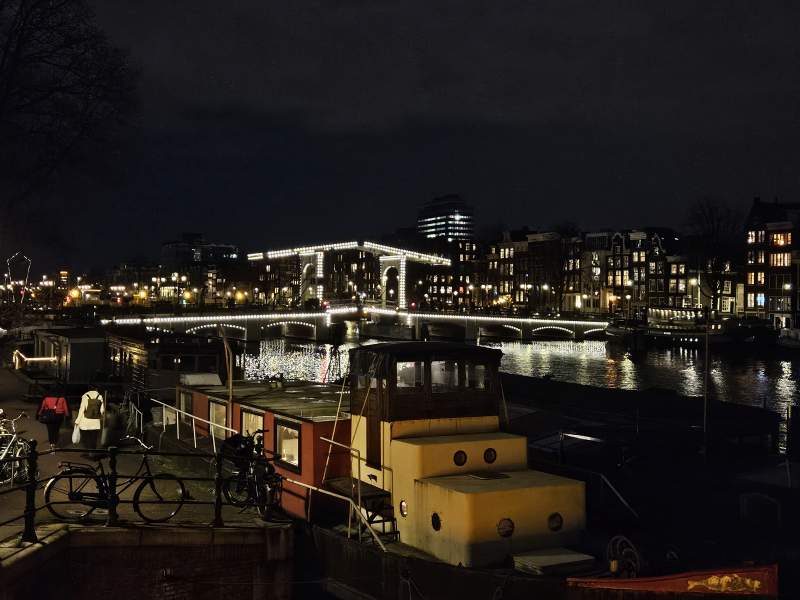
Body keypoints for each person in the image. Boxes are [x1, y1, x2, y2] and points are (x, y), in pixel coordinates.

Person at [74, 388, 104, 454]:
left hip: (85, 422)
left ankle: (88, 451)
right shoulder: (100, 397)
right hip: (96, 422)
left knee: (86, 437)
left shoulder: (85, 396)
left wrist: (77, 421)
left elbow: (81, 409)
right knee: (94, 438)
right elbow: (102, 410)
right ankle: (93, 452)